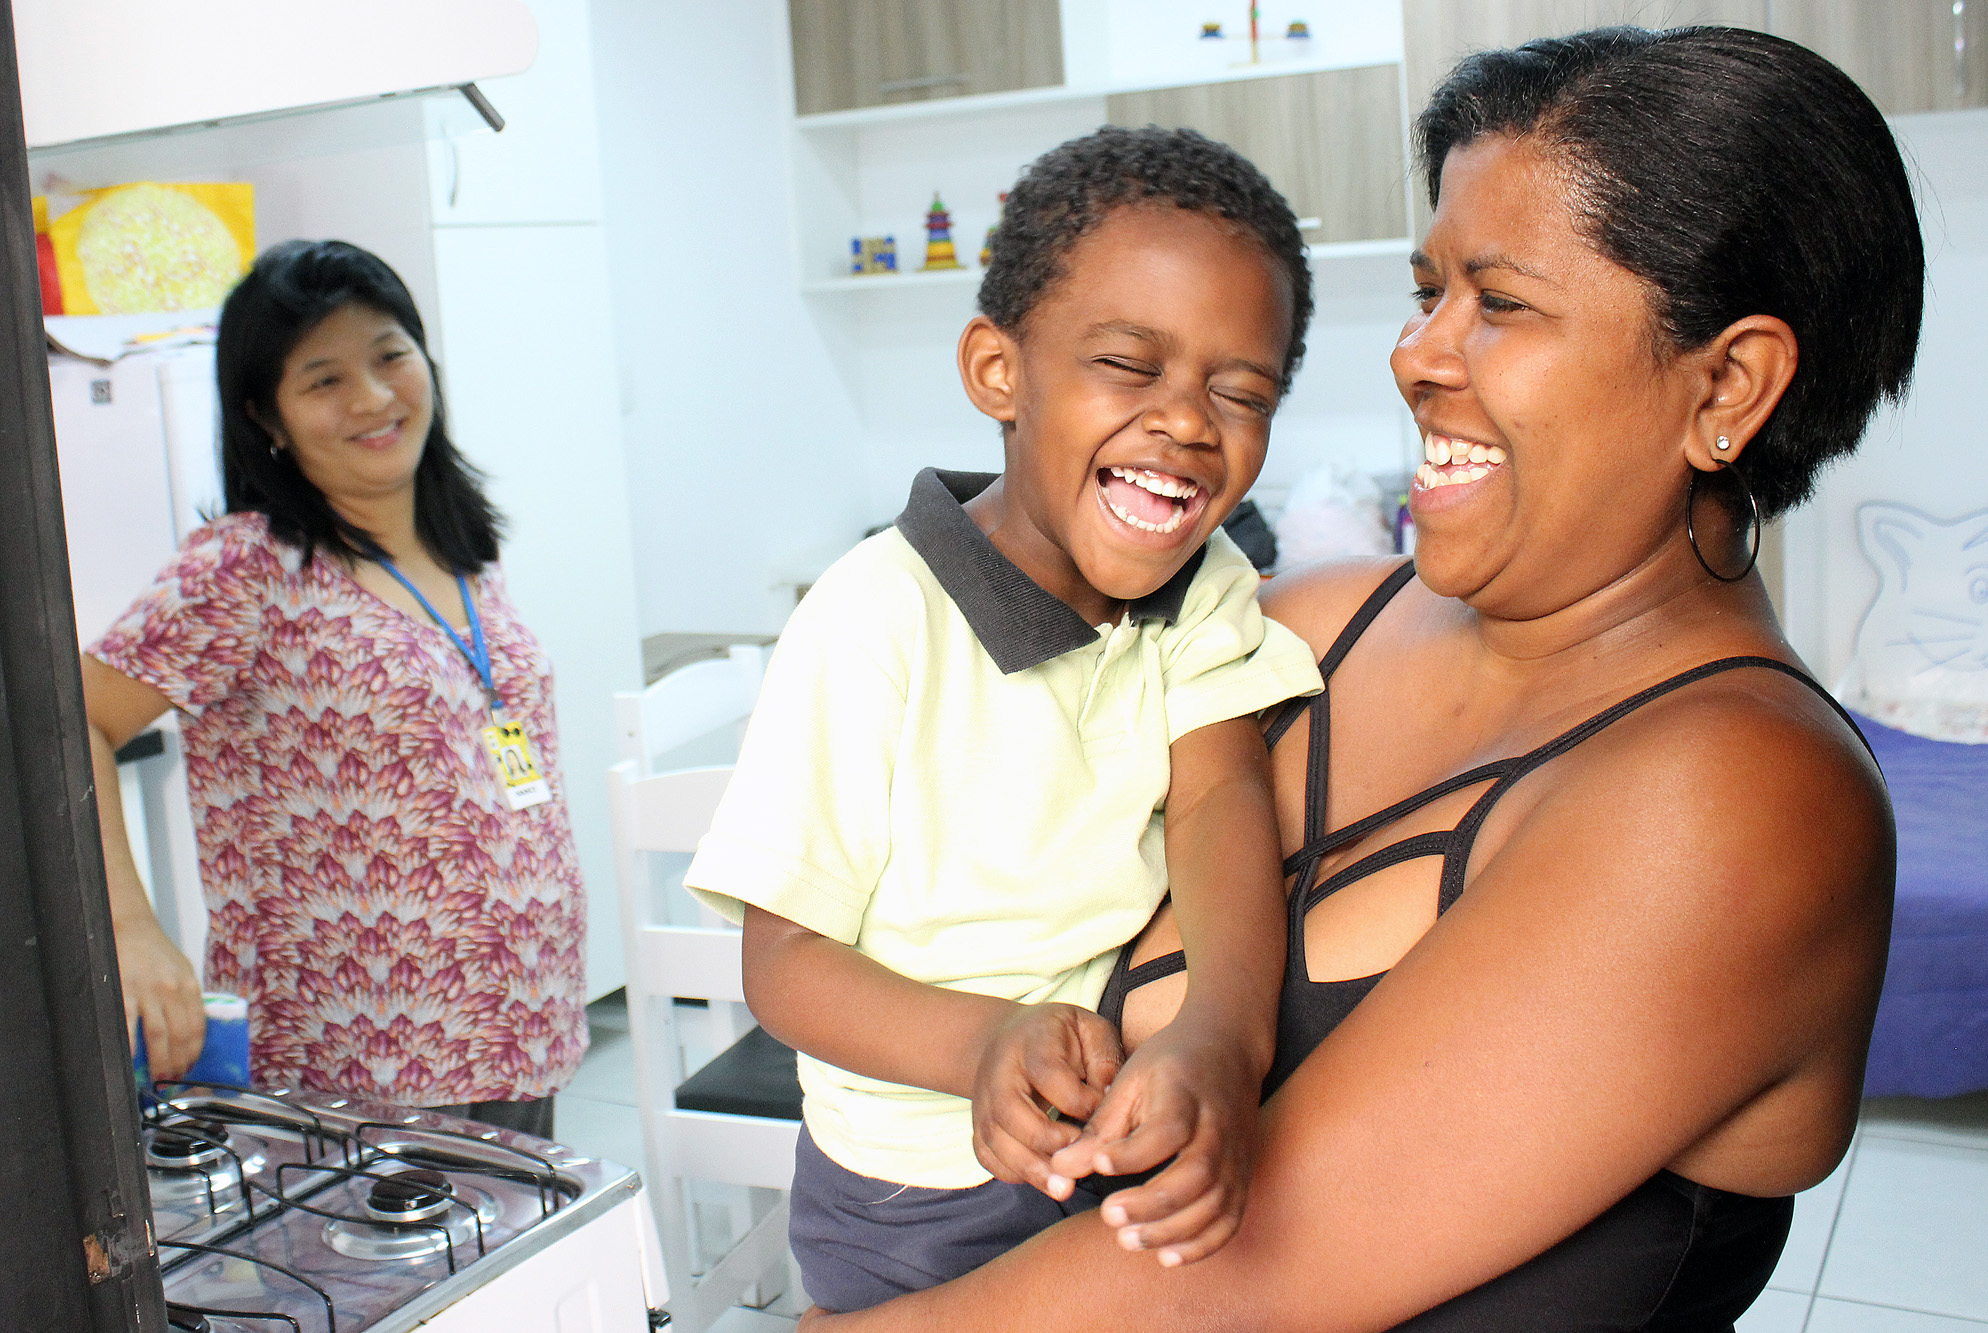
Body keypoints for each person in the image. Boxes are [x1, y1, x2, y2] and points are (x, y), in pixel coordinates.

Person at [805, 25, 1914, 1331]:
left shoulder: (1742, 801)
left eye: (1498, 303)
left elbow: (1257, 1267)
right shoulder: (1312, 624)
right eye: (1426, 288)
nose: (1416, 356)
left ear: (1726, 382)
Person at [683, 126, 1325, 1312]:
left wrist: (1223, 1045)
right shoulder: (871, 617)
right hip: (910, 1192)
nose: (1188, 422)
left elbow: (1217, 796)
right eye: (1130, 366)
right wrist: (983, 1044)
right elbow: (781, 967)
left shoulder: (1207, 581)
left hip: (1120, 1122)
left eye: (1241, 391)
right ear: (998, 373)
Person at [87, 239, 586, 1137]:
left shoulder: (462, 547)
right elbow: (70, 721)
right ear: (265, 415)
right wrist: (129, 930)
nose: (373, 396)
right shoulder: (248, 566)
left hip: (517, 1033)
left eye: (391, 354)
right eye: (323, 380)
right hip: (354, 1065)